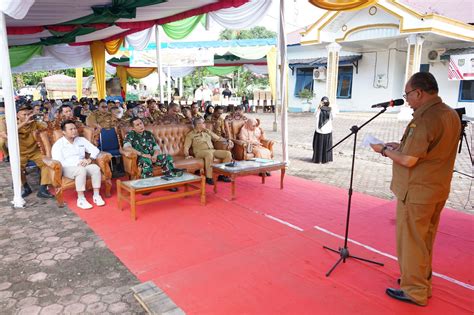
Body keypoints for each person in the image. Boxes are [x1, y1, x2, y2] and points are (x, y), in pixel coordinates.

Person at [370, 72, 461, 306]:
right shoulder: (449, 113)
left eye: (408, 94)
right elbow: (431, 148)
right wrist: (400, 145)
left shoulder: (424, 119)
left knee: (411, 242)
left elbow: (409, 160)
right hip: (436, 189)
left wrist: (382, 149)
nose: (407, 99)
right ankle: (422, 283)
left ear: (419, 93)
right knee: (424, 240)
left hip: (417, 192)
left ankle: (414, 291)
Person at [52, 120, 105, 209]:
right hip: (67, 168)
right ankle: (81, 199)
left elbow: (95, 150)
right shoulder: (58, 144)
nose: (74, 131)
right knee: (81, 170)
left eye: (75, 128)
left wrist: (89, 159)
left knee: (95, 168)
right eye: (71, 129)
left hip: (83, 165)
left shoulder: (81, 140)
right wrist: (76, 164)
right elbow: (58, 161)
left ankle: (96, 195)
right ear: (64, 132)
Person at [17, 105, 54, 199]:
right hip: (20, 153)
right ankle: (26, 188)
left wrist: (46, 121)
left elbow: (48, 129)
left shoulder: (34, 123)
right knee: (17, 169)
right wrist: (24, 123)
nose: (27, 116)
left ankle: (42, 189)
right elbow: (9, 133)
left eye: (28, 114)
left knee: (46, 164)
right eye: (24, 114)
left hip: (35, 151)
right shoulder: (14, 125)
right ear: (18, 115)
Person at [184, 117, 233, 185]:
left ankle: (223, 175)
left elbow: (218, 138)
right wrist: (187, 155)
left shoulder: (207, 132)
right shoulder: (191, 135)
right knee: (209, 154)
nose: (205, 124)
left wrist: (228, 140)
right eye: (203, 123)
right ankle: (208, 178)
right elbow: (186, 147)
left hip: (212, 150)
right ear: (198, 124)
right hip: (200, 152)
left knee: (227, 153)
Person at [311, 96, 333, 164]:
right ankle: (318, 159)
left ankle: (326, 159)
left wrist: (330, 107)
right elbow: (316, 115)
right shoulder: (319, 109)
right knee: (318, 145)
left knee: (327, 146)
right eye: (323, 102)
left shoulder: (330, 110)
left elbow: (333, 117)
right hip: (319, 130)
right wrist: (319, 107)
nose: (324, 104)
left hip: (327, 130)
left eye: (326, 102)